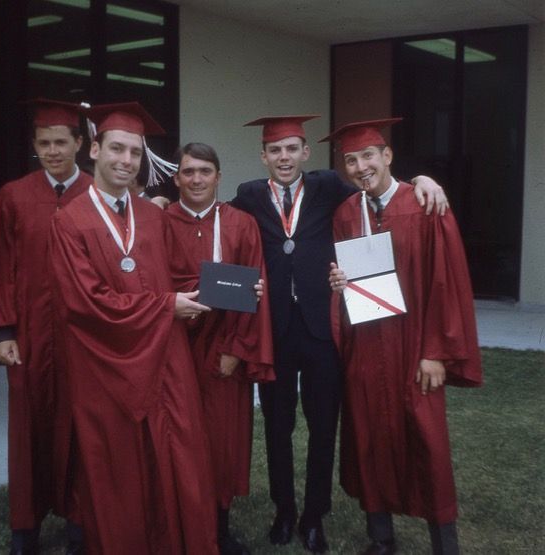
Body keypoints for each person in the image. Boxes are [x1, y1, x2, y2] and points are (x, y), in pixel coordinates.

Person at [230, 114, 448, 553]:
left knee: (323, 426)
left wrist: (424, 180)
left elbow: (378, 188)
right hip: (275, 330)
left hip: (321, 330)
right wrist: (156, 200)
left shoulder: (329, 186)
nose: (284, 157)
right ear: (264, 156)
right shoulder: (249, 196)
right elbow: (212, 213)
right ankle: (284, 511)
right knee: (277, 426)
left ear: (305, 153)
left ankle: (314, 517)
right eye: (275, 150)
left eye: (292, 149)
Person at [48, 102, 219, 554]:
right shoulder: (69, 221)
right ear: (94, 150)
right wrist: (166, 307)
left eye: (135, 152)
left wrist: (236, 288)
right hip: (105, 366)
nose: (126, 160)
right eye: (117, 149)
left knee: (180, 455)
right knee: (119, 468)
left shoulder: (153, 217)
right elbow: (85, 303)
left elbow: (181, 275)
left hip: (164, 360)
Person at [326, 118, 483, 555]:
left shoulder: (424, 204)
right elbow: (345, 279)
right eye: (351, 160)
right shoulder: (345, 214)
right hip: (366, 346)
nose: (361, 167)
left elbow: (444, 282)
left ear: (387, 156)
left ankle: (444, 544)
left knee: (427, 442)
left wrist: (436, 352)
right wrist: (338, 283)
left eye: (368, 156)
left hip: (414, 347)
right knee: (371, 438)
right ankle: (381, 538)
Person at [0, 98, 91, 554]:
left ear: (79, 143)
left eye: (60, 142)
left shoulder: (96, 193)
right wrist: (3, 331)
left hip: (82, 336)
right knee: (27, 428)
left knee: (81, 425)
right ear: (34, 144)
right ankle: (24, 528)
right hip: (28, 334)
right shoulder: (12, 196)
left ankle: (80, 522)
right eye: (44, 143)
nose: (52, 151)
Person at [164, 142, 275, 554]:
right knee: (176, 439)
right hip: (172, 348)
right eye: (188, 171)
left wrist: (235, 349)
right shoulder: (159, 222)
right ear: (176, 178)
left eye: (205, 171)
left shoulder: (241, 224)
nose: (196, 179)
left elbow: (255, 287)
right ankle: (177, 526)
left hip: (223, 349)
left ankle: (219, 529)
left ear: (219, 177)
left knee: (221, 440)